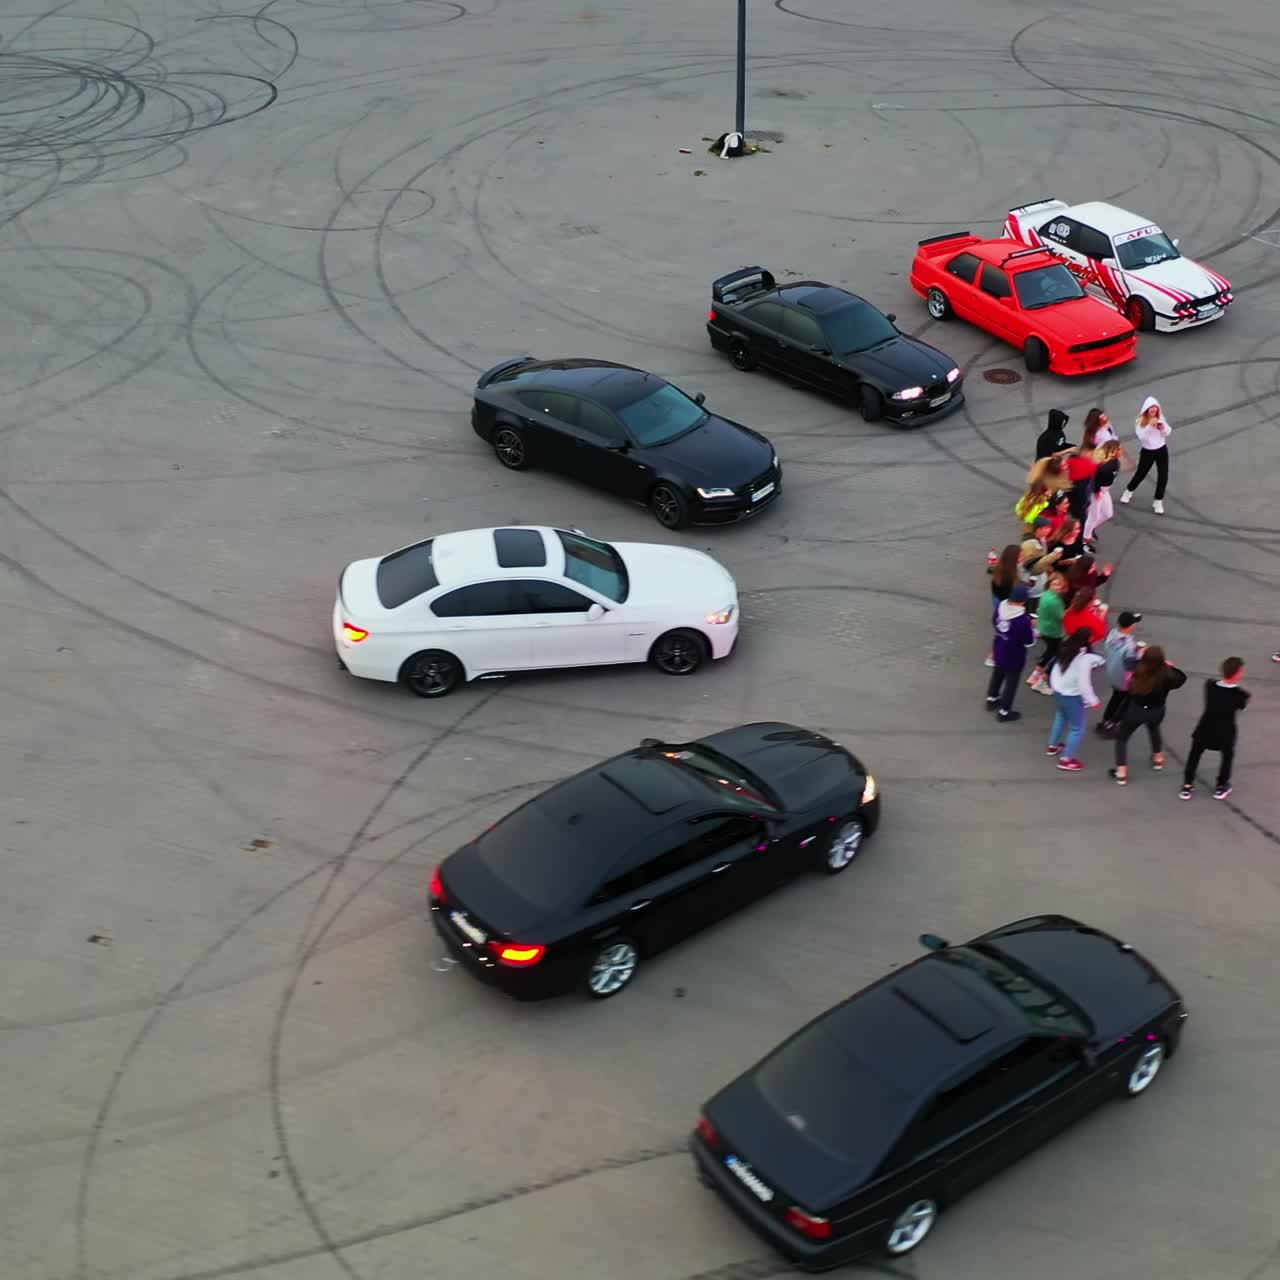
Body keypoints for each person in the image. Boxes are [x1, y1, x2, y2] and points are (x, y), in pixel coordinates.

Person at [1109, 647, 1186, 785]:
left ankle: (1121, 772)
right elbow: (1182, 678)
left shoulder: (1138, 669)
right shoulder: (1167, 675)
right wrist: (1170, 666)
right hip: (1157, 711)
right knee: (1153, 729)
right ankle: (1158, 758)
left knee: (1122, 737)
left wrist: (1140, 652)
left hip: (1136, 710)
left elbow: (1127, 661)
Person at [1181, 657, 1251, 800]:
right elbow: (1242, 707)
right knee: (1227, 756)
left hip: (1205, 727)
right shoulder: (1240, 695)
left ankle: (1187, 785)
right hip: (1225, 731)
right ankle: (1221, 785)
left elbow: (1214, 683)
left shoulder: (1210, 686)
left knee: (1195, 754)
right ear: (1236, 674)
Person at [1046, 629, 1105, 771]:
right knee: (1077, 728)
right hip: (1072, 696)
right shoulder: (1084, 660)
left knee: (1060, 717)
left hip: (1058, 691)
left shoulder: (1064, 649)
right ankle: (1066, 760)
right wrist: (1093, 700)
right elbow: (1084, 684)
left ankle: (1053, 746)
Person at [987, 585, 1036, 722]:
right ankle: (1004, 711)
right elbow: (1028, 642)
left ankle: (992, 698)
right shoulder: (1022, 619)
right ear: (1023, 601)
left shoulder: (1001, 606)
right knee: (1011, 683)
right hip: (1014, 655)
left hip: (999, 647)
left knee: (997, 675)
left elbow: (994, 621)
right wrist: (1032, 628)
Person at [1120, 395, 1172, 514]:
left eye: (1156, 409)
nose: (1154, 411)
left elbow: (1168, 432)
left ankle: (1158, 501)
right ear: (1146, 410)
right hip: (1148, 451)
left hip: (1161, 450)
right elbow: (1142, 437)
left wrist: (1162, 427)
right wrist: (1150, 426)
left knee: (1163, 475)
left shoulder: (1160, 418)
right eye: (1151, 409)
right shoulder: (1140, 421)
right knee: (1141, 474)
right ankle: (1129, 491)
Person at [1097, 611, 1144, 734]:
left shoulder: (1112, 634)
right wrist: (1140, 653)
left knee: (1116, 697)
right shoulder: (1129, 646)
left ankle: (1106, 719)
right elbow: (1131, 665)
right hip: (1124, 679)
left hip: (1112, 673)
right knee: (1127, 701)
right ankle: (1113, 723)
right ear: (1131, 626)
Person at [1028, 570, 1069, 694]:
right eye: (1054, 584)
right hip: (1054, 631)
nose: (1057, 587)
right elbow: (1062, 617)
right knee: (1058, 654)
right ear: (1050, 584)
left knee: (1049, 651)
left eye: (1059, 584)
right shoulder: (1055, 601)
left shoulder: (1046, 594)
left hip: (1044, 628)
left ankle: (1035, 674)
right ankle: (1042, 681)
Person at [985, 544, 1022, 666]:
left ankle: (994, 655)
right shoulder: (1009, 576)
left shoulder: (1000, 569)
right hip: (1005, 605)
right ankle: (993, 656)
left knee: (1001, 631)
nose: (1022, 556)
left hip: (998, 601)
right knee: (1003, 633)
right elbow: (1010, 593)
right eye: (1020, 555)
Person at [1084, 440, 1124, 543]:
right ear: (1113, 451)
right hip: (1096, 492)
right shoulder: (1104, 467)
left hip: (1104, 491)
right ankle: (1085, 540)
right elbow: (1094, 481)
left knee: (1107, 514)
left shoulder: (1115, 462)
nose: (1121, 451)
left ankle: (1088, 529)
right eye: (1119, 449)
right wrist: (1097, 492)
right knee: (1094, 516)